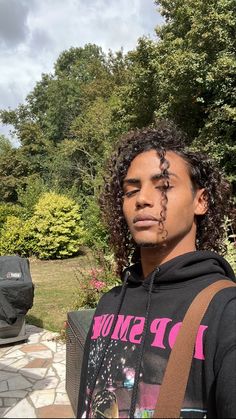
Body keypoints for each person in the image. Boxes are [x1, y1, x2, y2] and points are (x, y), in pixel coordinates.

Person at [77, 121, 236, 418]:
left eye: (163, 185)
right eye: (130, 190)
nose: (141, 199)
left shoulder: (225, 313)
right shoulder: (110, 303)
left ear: (200, 201)